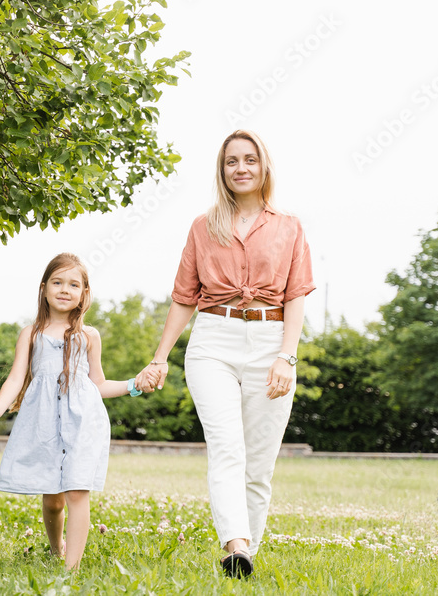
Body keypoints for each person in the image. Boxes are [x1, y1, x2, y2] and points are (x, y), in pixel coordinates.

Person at [136, 130, 315, 579]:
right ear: (222, 170)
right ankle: (233, 541)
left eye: (250, 160)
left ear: (263, 166)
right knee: (226, 446)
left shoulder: (289, 226)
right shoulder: (203, 226)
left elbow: (296, 296)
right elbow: (183, 297)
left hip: (271, 341)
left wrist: (286, 358)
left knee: (259, 463)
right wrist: (160, 357)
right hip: (213, 340)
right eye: (232, 161)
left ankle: (245, 556)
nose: (241, 168)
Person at [0, 252, 144, 570]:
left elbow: (99, 384)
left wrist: (134, 384)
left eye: (73, 284)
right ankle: (56, 549)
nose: (65, 289)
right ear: (44, 288)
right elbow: (16, 377)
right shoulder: (32, 333)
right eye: (57, 282)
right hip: (44, 423)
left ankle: (71, 569)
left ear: (84, 293)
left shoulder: (89, 337)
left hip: (82, 423)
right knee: (53, 500)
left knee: (77, 491)